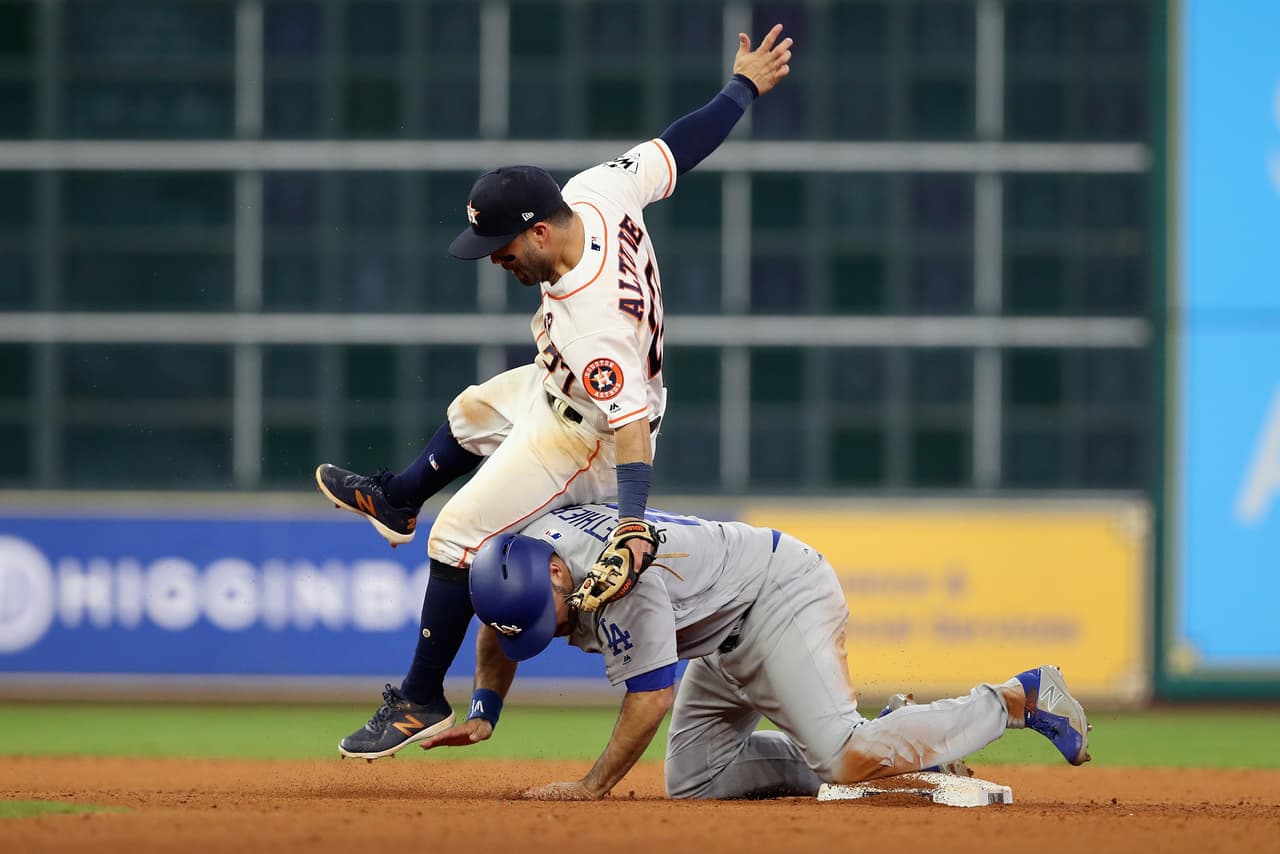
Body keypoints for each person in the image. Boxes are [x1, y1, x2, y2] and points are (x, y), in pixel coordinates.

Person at [315, 26, 795, 760]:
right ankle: (399, 498)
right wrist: (742, 88)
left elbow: (630, 428)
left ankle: (417, 697)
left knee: (459, 537)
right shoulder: (597, 192)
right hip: (555, 386)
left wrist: (630, 524)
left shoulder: (591, 320)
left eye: (503, 249)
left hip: (590, 435)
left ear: (539, 233)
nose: (496, 262)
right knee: (472, 411)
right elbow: (677, 148)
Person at [421, 503, 1092, 800]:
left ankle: (1018, 697)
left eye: (549, 616)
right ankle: (891, 745)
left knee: (843, 756)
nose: (551, 629)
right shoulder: (526, 553)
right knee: (696, 779)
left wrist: (590, 787)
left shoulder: (627, 583)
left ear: (561, 575)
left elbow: (650, 697)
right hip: (719, 626)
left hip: (779, 596)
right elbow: (497, 622)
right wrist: (485, 705)